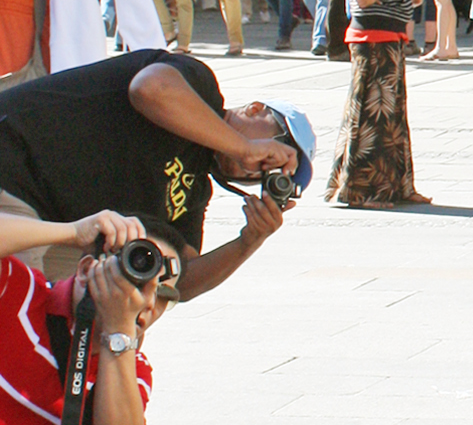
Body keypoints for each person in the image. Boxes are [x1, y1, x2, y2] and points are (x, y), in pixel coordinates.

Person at [0, 49, 313, 297]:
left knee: (85, 313)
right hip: (15, 162)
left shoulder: (195, 191)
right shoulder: (199, 86)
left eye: (274, 175)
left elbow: (180, 279)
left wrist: (249, 241)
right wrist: (244, 147)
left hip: (57, 221)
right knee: (19, 315)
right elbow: (150, 88)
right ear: (255, 109)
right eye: (278, 148)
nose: (266, 165)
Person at [0, 208, 182, 425]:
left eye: (163, 294)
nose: (147, 301)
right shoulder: (22, 294)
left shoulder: (133, 369)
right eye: (138, 282)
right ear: (87, 269)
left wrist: (119, 330)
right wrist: (74, 232)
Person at [325, 0, 431, 208]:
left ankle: (397, 185)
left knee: (391, 115)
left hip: (386, 36)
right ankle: (363, 189)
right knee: (374, 116)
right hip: (374, 39)